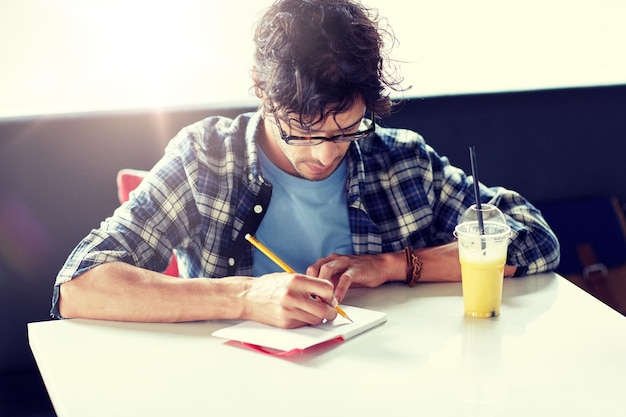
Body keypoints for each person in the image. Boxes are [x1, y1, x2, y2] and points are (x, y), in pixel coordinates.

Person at [52, 0, 559, 328]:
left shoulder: (398, 159)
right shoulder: (204, 159)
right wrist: (245, 297)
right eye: (301, 130)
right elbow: (79, 285)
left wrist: (393, 265)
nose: (324, 155)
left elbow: (532, 241)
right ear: (261, 91)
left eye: (345, 131)